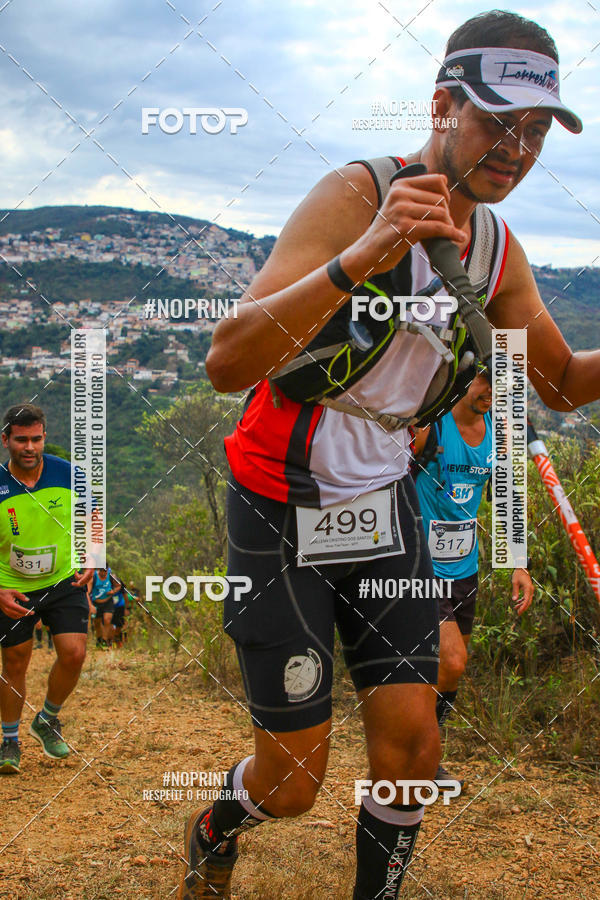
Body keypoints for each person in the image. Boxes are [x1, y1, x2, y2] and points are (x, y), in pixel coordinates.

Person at [177, 11, 599, 899]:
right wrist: (366, 255)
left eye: (536, 132)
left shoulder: (496, 250)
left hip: (384, 504)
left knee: (413, 749)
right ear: (443, 106)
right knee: (293, 784)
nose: (517, 150)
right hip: (281, 501)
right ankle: (216, 825)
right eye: (498, 121)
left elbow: (558, 382)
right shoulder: (354, 193)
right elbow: (226, 363)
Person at [412, 372, 534, 781]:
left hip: (465, 567)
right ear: (464, 376)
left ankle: (421, 753)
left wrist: (518, 563)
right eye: (484, 380)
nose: (491, 392)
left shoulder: (498, 434)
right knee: (451, 661)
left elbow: (507, 497)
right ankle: (419, 756)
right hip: (421, 566)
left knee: (451, 670)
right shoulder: (433, 424)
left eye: (500, 385)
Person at [0, 404, 93, 774]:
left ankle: (47, 719)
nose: (29, 447)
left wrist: (92, 557)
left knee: (74, 653)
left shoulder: (68, 474)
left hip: (62, 580)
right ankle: (9, 741)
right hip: (12, 588)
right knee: (15, 662)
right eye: (21, 439)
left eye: (36, 439)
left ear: (44, 438)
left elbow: (93, 515)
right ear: (6, 440)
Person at [89, 566, 120, 648]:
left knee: (107, 620)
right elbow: (88, 590)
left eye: (105, 571)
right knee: (97, 623)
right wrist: (90, 604)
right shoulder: (93, 576)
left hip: (108, 602)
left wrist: (113, 591)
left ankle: (104, 640)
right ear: (99, 570)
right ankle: (99, 639)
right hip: (96, 602)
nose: (103, 573)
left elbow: (119, 585)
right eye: (102, 571)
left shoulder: (111, 576)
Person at [111, 578, 127, 646]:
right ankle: (113, 640)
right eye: (114, 582)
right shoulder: (110, 588)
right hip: (111, 608)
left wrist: (126, 609)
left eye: (117, 582)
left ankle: (119, 640)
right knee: (112, 625)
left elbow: (126, 598)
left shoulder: (122, 589)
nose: (116, 583)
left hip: (120, 608)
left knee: (120, 625)